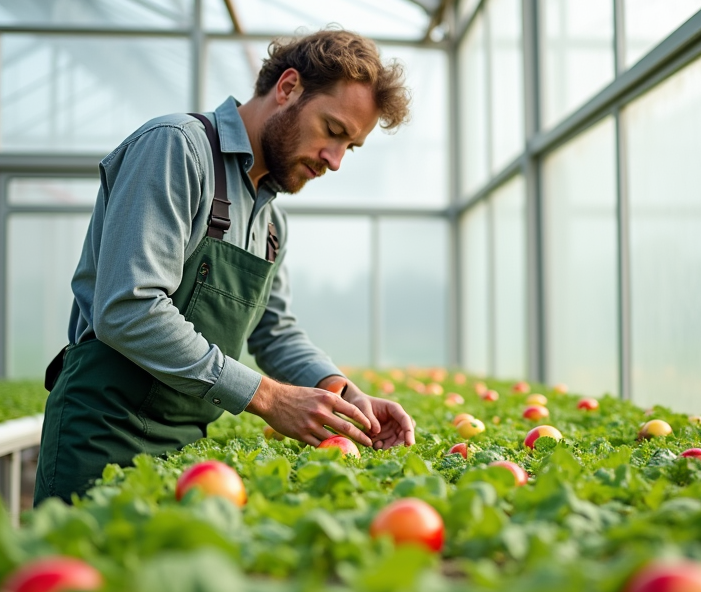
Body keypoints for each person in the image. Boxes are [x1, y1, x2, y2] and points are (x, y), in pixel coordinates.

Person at [35, 29, 416, 505]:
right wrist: (270, 398)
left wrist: (339, 392)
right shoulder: (176, 148)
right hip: (101, 438)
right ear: (288, 87)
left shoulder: (271, 220)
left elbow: (274, 331)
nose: (335, 161)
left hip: (185, 451)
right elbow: (128, 308)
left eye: (350, 147)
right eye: (333, 131)